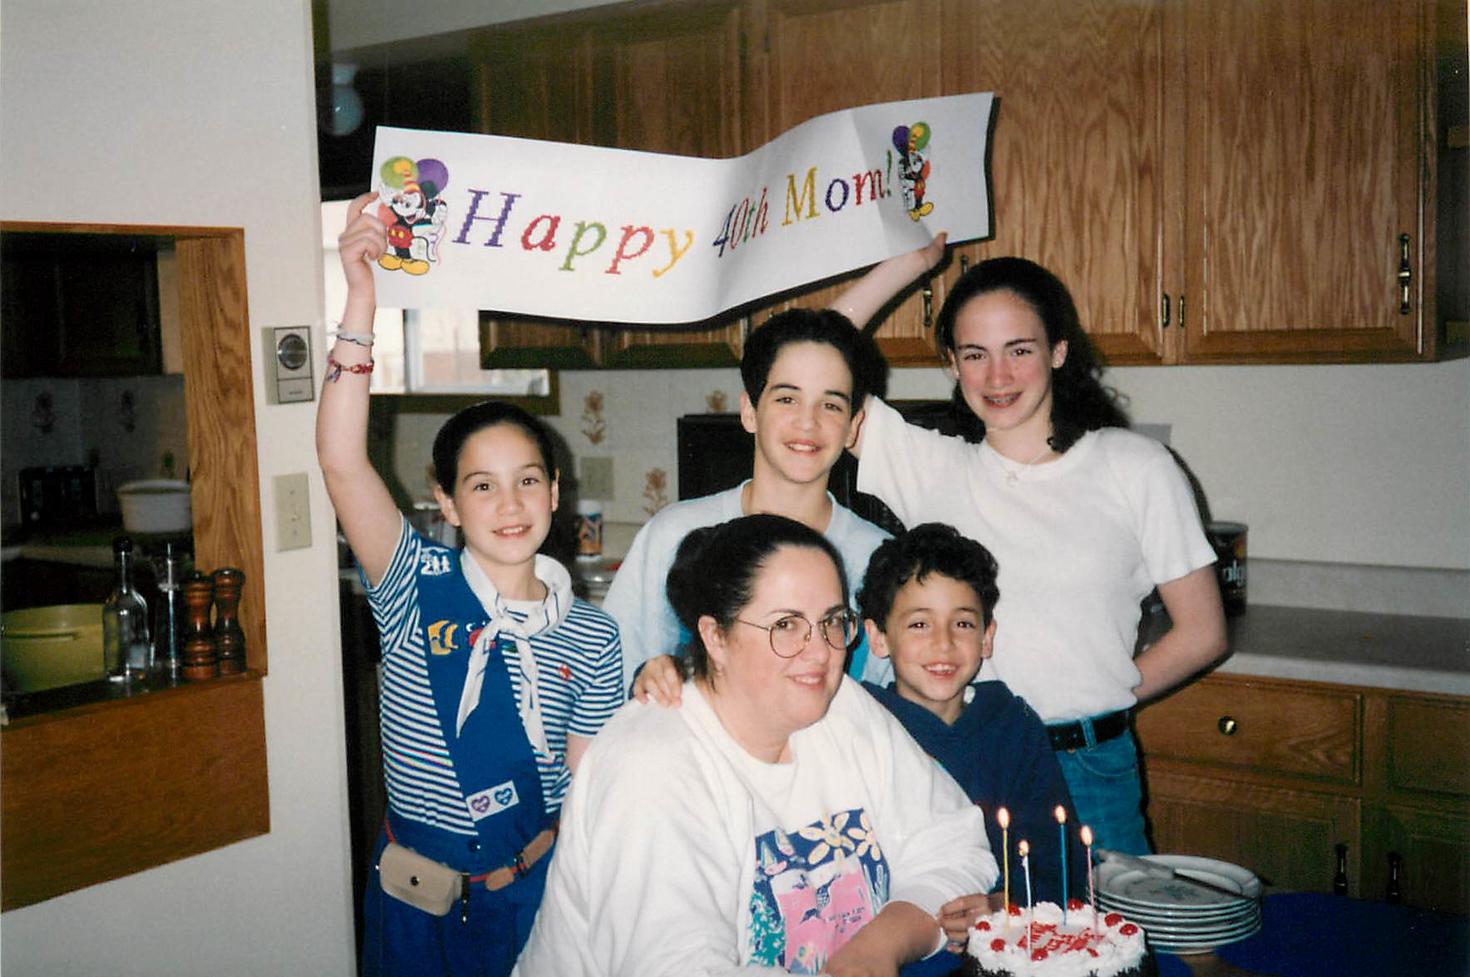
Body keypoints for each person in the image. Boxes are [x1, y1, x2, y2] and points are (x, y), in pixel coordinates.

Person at [318, 193, 624, 977]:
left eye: (527, 480)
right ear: (447, 503)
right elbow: (343, 460)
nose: (511, 503)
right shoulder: (411, 584)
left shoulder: (594, 636)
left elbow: (589, 801)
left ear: (556, 491)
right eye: (482, 486)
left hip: (532, 895)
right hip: (412, 902)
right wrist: (360, 300)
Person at [851, 247, 1227, 856]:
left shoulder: (1135, 468)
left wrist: (1095, 701)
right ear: (952, 364)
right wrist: (903, 265)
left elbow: (1203, 632)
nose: (997, 377)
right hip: (952, 760)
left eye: (1019, 349)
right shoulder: (928, 465)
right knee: (957, 942)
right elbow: (806, 364)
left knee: (1100, 948)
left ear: (1058, 350)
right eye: (975, 354)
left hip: (1087, 773)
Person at [514, 514, 997, 977]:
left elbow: (952, 844)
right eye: (785, 624)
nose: (821, 651)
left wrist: (881, 943)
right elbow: (676, 967)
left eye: (831, 621)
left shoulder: (840, 707)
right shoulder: (650, 764)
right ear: (715, 637)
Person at [604, 305, 893, 698]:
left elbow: (890, 707)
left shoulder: (879, 560)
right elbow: (612, 674)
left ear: (853, 427)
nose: (808, 422)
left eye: (831, 405)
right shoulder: (674, 534)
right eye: (787, 399)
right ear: (750, 411)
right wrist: (646, 678)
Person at [856, 523, 1087, 955]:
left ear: (987, 637)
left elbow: (1060, 857)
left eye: (962, 623)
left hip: (998, 948)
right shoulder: (859, 723)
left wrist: (1008, 906)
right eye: (919, 624)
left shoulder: (1013, 726)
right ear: (878, 637)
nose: (943, 644)